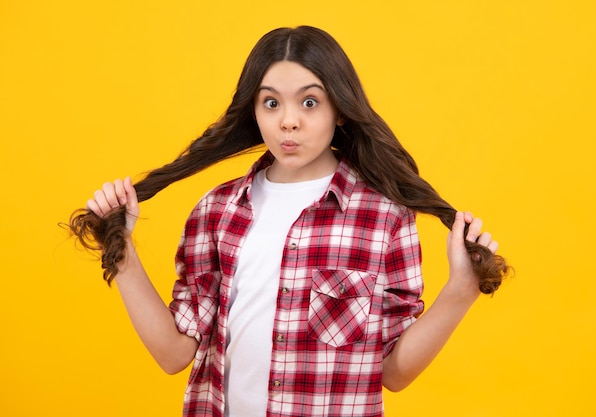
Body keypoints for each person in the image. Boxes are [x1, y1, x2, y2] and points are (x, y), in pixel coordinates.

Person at [68, 26, 510, 417]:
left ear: (340, 109)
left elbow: (393, 371)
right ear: (253, 111)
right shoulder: (215, 211)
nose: (289, 121)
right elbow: (172, 353)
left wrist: (459, 292)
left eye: (310, 101)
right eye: (271, 102)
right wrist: (119, 248)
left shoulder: (384, 218)